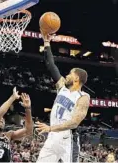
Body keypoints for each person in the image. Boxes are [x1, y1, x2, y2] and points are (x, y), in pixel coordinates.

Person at [35, 30, 90, 163]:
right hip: (53, 136)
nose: (66, 75)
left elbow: (74, 123)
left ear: (76, 78)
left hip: (68, 139)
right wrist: (47, 42)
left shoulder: (83, 97)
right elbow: (51, 65)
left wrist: (50, 128)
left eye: (70, 74)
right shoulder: (62, 88)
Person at [0, 87, 33, 162]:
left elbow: (28, 131)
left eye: (3, 120)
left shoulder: (9, 135)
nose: (1, 120)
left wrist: (28, 109)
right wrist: (13, 98)